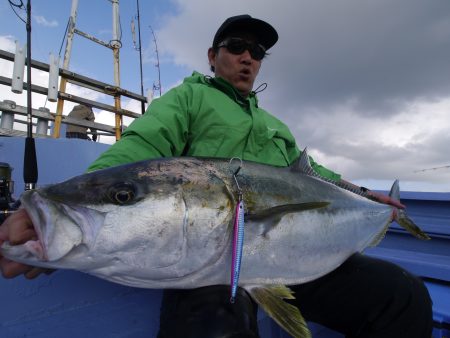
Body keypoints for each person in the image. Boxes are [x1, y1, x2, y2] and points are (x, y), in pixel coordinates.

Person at [0, 15, 432, 338]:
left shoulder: (276, 126)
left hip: (302, 256)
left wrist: (367, 195)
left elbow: (317, 176)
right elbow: (141, 149)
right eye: (237, 46)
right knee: (212, 327)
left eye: (257, 52)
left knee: (404, 295)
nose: (248, 57)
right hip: (210, 264)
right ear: (213, 55)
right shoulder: (188, 99)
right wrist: (51, 212)